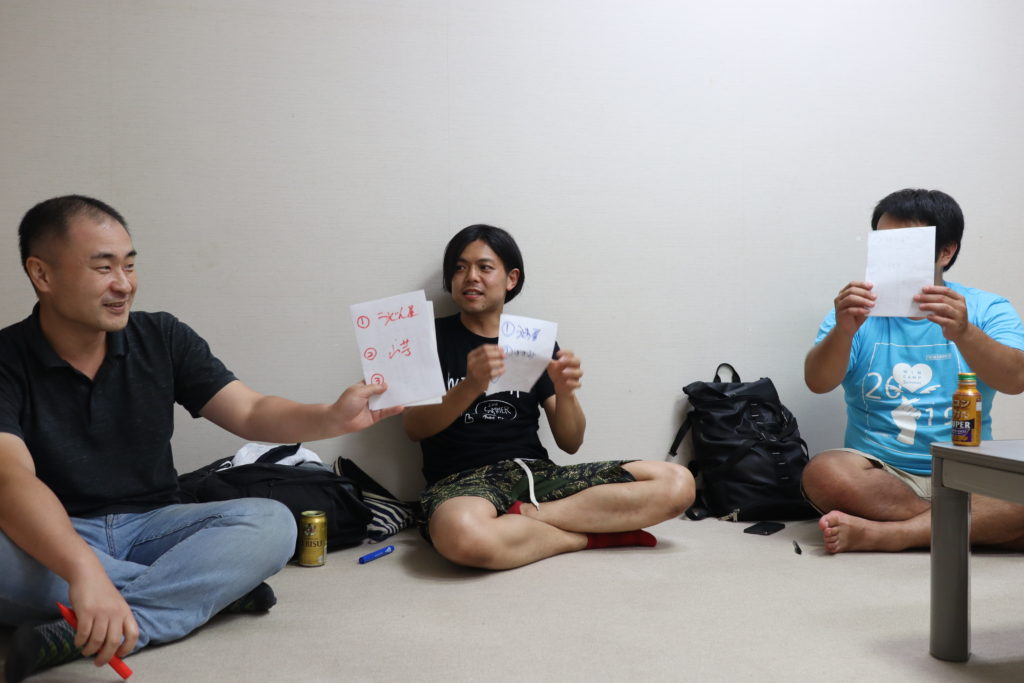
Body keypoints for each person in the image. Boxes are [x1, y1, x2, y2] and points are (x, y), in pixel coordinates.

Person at [0, 195, 402, 682]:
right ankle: (208, 594)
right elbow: (11, 480)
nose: (123, 284)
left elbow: (250, 411)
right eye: (103, 268)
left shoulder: (162, 336)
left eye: (129, 265)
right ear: (41, 274)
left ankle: (103, 626)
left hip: (156, 528)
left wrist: (332, 417)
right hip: (56, 533)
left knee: (271, 523)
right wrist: (82, 570)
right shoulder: (6, 358)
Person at [402, 224, 694, 570]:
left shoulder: (529, 340)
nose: (471, 277)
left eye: (484, 267)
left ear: (511, 279)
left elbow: (570, 442)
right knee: (462, 535)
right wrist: (471, 384)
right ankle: (586, 537)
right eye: (460, 268)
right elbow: (414, 428)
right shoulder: (428, 338)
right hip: (461, 484)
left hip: (535, 475)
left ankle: (526, 516)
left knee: (678, 484)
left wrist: (566, 393)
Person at [801, 188, 1024, 554]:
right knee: (824, 472)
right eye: (884, 244)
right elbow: (817, 382)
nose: (893, 256)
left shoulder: (987, 308)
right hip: (882, 472)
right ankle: (974, 525)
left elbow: (1016, 381)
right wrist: (843, 330)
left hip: (968, 467)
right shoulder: (856, 311)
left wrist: (964, 332)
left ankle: (894, 534)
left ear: (945, 252)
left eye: (908, 245)